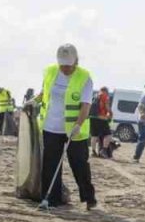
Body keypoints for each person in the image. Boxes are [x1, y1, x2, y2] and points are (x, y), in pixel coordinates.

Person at [37, 44, 98, 210]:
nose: (65, 69)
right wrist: (34, 101)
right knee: (50, 164)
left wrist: (78, 124)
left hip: (74, 130)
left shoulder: (84, 77)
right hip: (51, 126)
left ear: (75, 62)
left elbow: (85, 105)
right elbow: (45, 93)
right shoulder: (50, 72)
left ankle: (88, 197)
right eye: (62, 65)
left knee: (79, 164)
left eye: (68, 66)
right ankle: (51, 199)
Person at [91, 86, 115, 158]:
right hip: (101, 118)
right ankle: (103, 150)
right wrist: (110, 114)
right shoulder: (105, 96)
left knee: (94, 135)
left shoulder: (95, 96)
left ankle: (93, 152)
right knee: (108, 135)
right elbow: (107, 107)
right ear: (106, 91)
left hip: (92, 117)